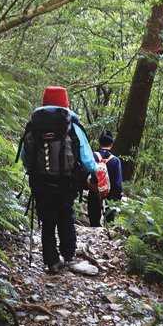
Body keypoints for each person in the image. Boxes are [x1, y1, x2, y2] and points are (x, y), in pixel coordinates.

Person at [17, 86, 97, 274]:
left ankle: (52, 261)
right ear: (66, 102)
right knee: (66, 218)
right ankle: (68, 257)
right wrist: (92, 173)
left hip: (40, 183)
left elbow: (25, 157)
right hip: (66, 183)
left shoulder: (34, 126)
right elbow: (86, 158)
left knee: (47, 221)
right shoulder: (72, 126)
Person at [87, 130, 123, 227]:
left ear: (99, 142)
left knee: (94, 223)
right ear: (111, 144)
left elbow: (85, 175)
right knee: (109, 223)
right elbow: (117, 184)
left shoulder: (92, 156)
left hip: (94, 193)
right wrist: (118, 197)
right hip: (110, 196)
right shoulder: (115, 161)